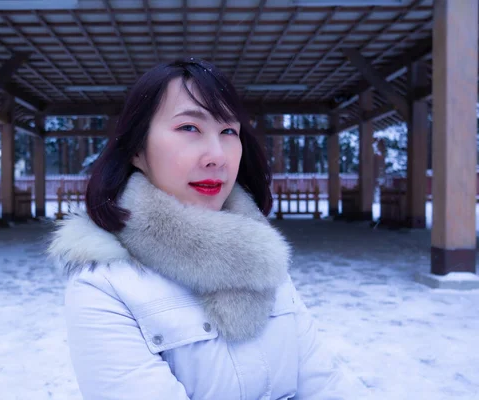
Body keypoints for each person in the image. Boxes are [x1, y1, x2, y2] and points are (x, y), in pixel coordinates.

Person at [48, 58, 356, 399]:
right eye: (189, 128)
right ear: (137, 148)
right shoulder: (102, 283)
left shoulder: (259, 255)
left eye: (228, 132)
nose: (217, 156)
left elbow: (326, 384)